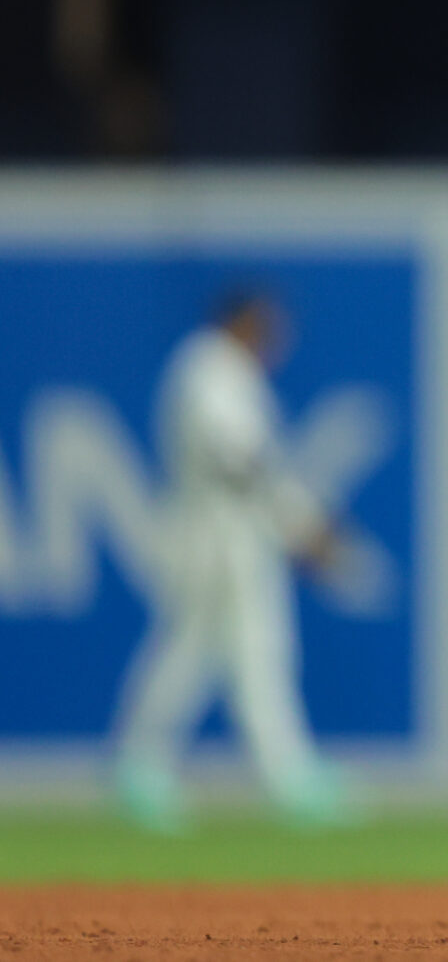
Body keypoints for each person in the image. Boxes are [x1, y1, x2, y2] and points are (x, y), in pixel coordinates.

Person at [111, 291, 349, 830]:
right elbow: (239, 461)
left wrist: (296, 523)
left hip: (233, 534)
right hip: (219, 537)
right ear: (244, 321)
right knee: (224, 654)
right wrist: (300, 524)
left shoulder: (224, 372)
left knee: (219, 656)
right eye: (269, 326)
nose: (277, 341)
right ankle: (279, 779)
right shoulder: (209, 368)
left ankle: (276, 776)